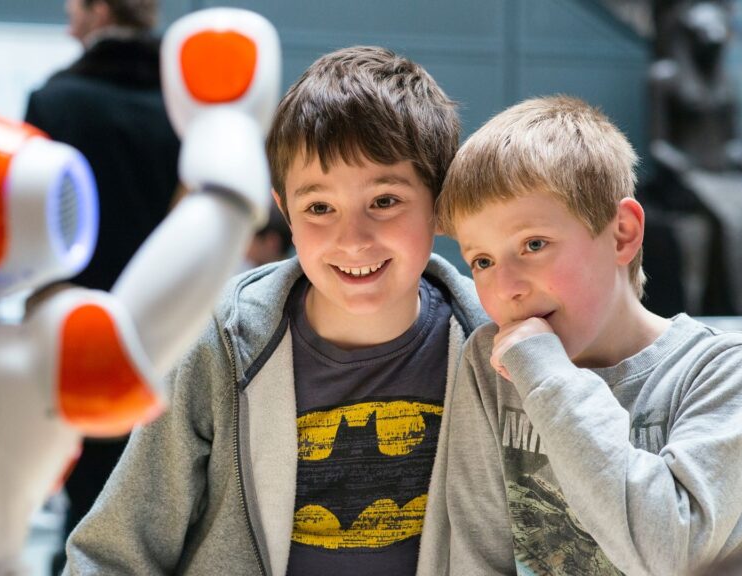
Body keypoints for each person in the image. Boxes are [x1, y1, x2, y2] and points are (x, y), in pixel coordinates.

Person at [63, 46, 486, 575]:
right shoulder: (219, 342)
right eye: (319, 208)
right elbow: (113, 552)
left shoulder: (493, 349)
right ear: (283, 210)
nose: (352, 241)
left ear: (441, 201)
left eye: (384, 201)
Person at [435, 95, 742, 575]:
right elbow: (479, 557)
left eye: (534, 245)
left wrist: (547, 375)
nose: (507, 288)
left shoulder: (724, 369)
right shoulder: (489, 364)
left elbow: (669, 555)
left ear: (621, 233)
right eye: (482, 261)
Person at [23, 0, 180, 569]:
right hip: (172, 332)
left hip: (77, 332)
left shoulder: (53, 102)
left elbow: (32, 230)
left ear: (96, 10)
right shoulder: (182, 106)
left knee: (84, 503)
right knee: (166, 494)